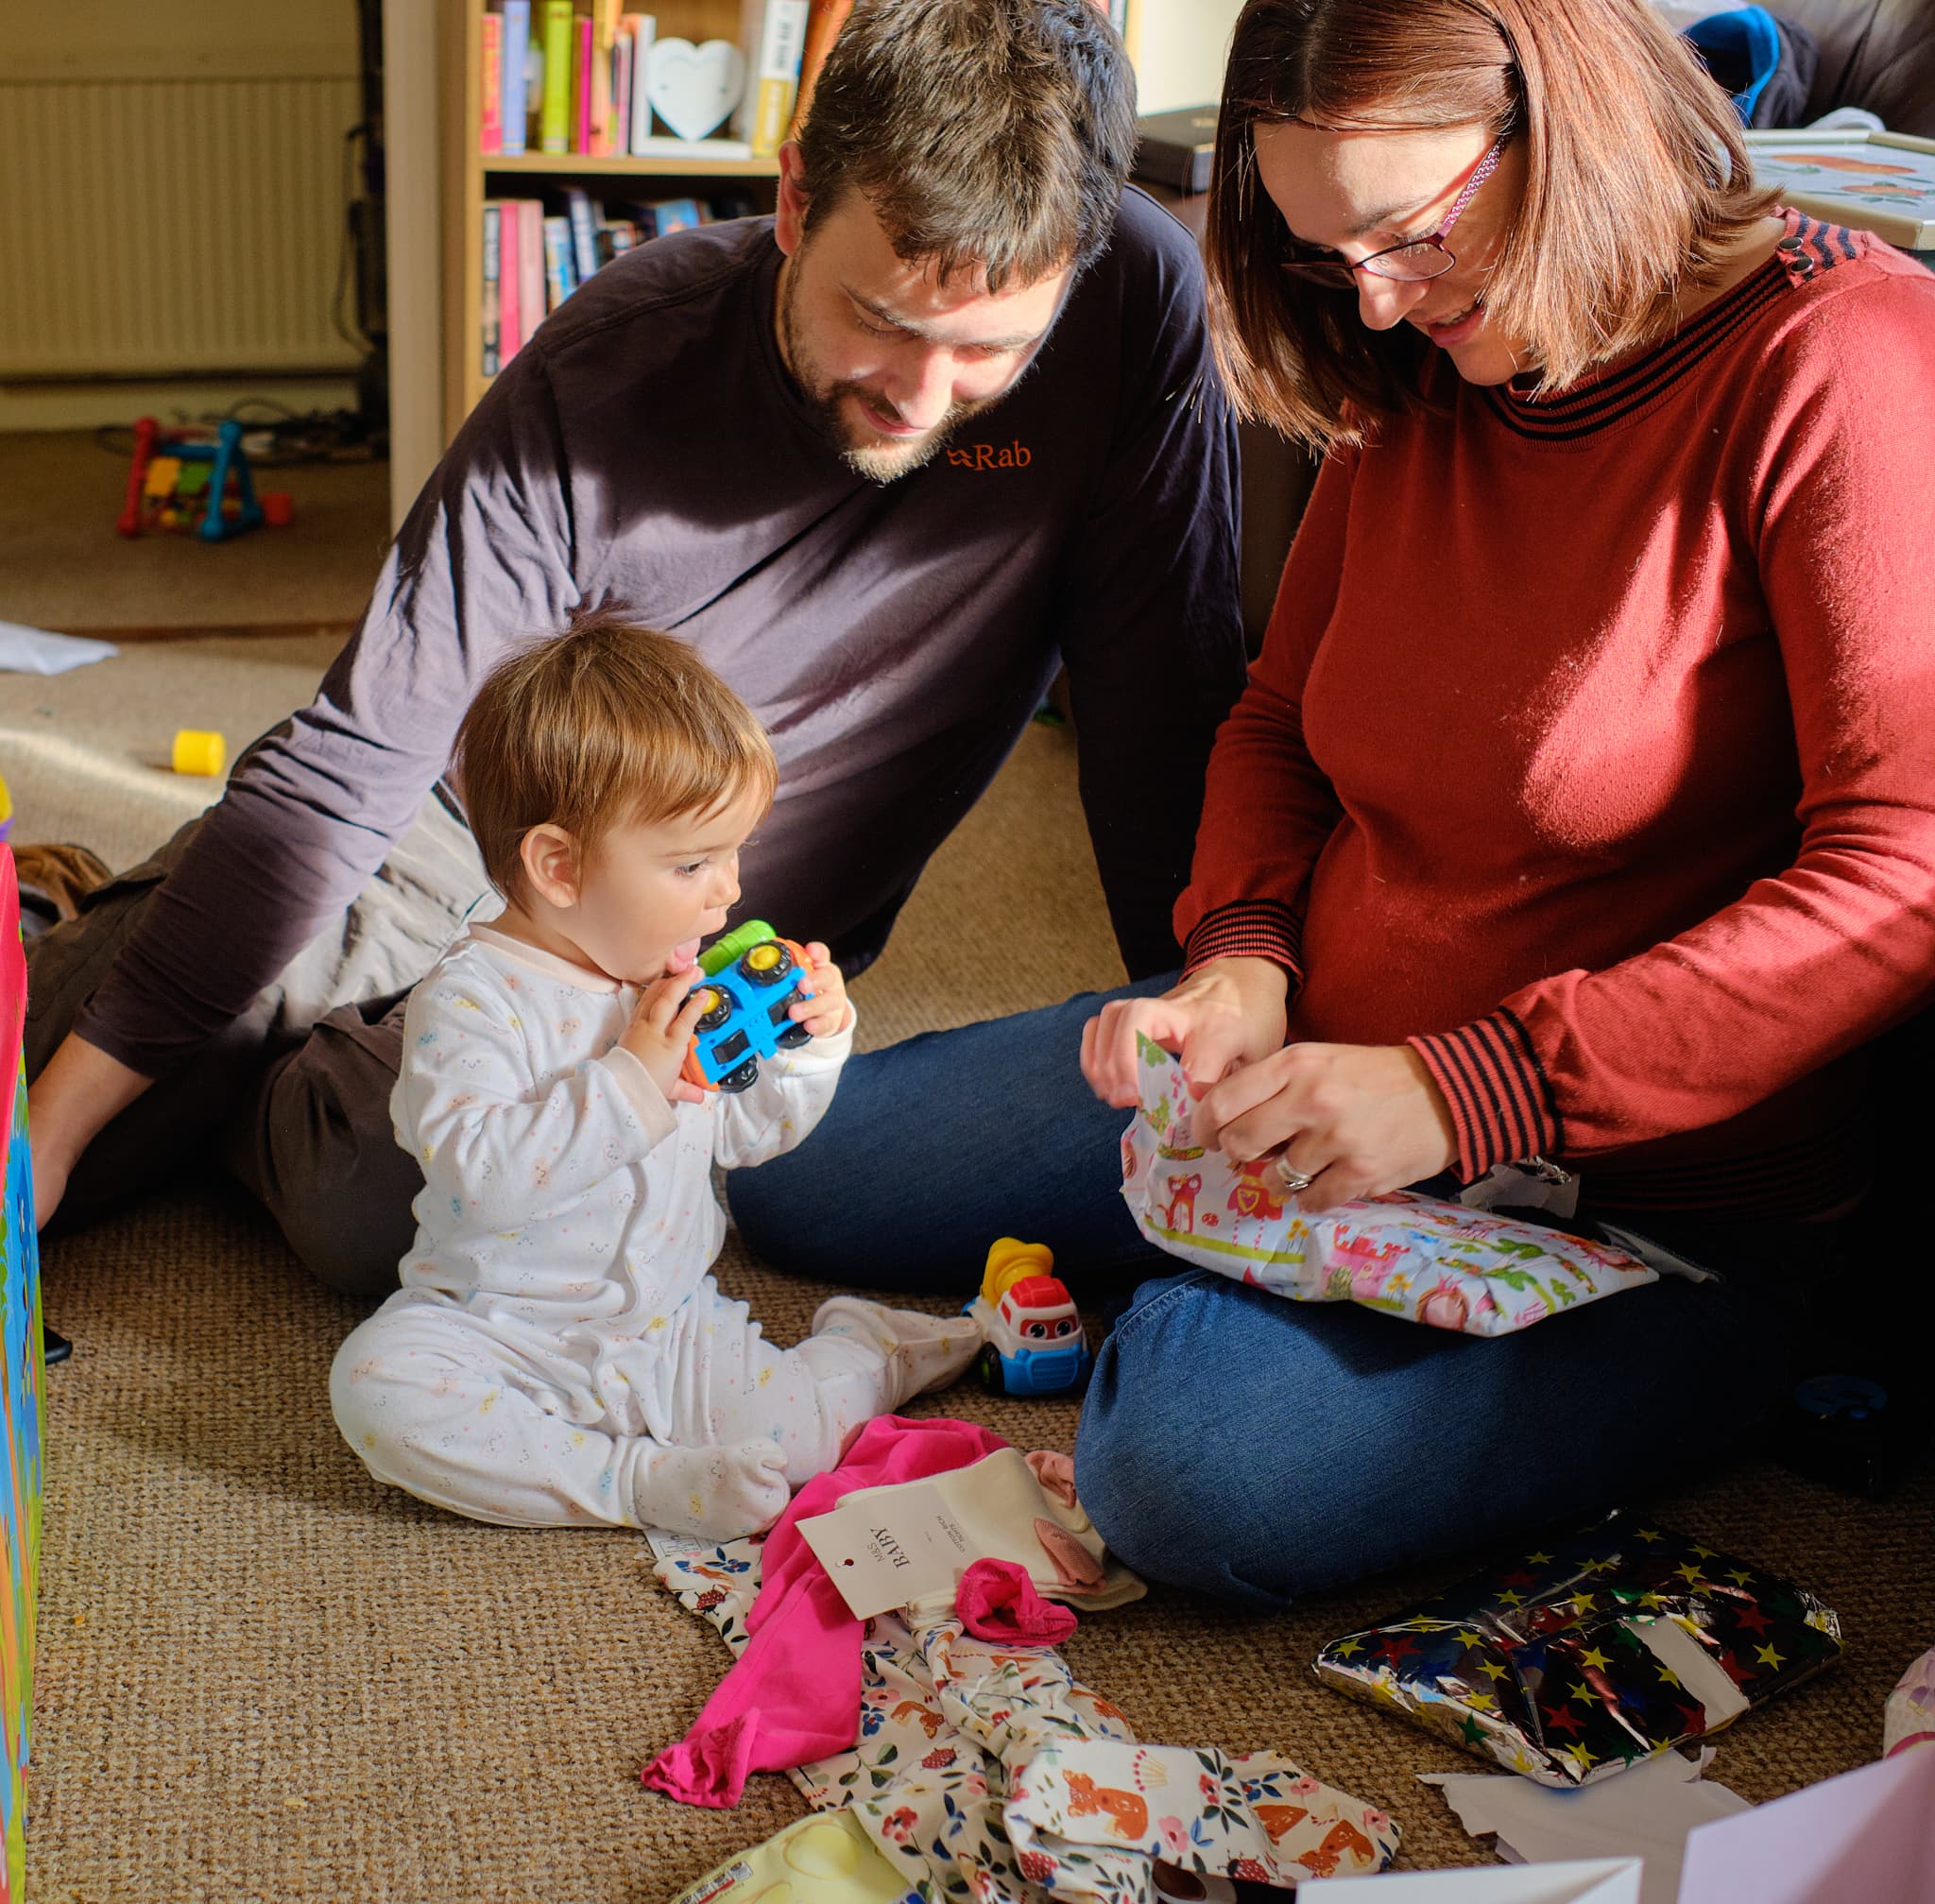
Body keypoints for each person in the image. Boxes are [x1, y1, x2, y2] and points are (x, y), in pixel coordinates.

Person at [761, 0, 1935, 1605]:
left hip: (1638, 1217)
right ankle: (1214, 1268)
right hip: (1292, 1078)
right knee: (778, 1165)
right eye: (1329, 255)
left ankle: (1217, 1301)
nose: (1375, 300)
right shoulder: (1426, 362)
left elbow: (1901, 879)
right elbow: (1272, 723)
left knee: (1189, 1478)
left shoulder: (1840, 360)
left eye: (1410, 232)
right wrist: (1236, 957)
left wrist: (1468, 1091)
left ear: (1568, 118)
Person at [23, 0, 1245, 1294]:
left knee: (399, 1205)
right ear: (791, 197)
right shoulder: (620, 355)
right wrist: (50, 1139)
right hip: (455, 828)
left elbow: (1164, 726)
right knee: (51, 1084)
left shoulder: (1136, 312)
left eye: (988, 352)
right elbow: (353, 767)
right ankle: (140, 954)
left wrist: (1203, 1011)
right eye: (880, 318)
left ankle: (251, 1041)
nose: (921, 396)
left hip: (688, 929)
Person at [331, 618, 982, 1538]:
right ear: (558, 865)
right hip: (499, 1324)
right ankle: (633, 1480)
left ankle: (863, 1350)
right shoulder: (471, 1001)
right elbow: (481, 1175)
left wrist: (809, 1046)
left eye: (732, 853)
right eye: (690, 863)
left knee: (789, 1440)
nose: (727, 891)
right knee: (377, 1387)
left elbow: (755, 1134)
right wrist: (633, 1079)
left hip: (669, 1322)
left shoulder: (682, 984)